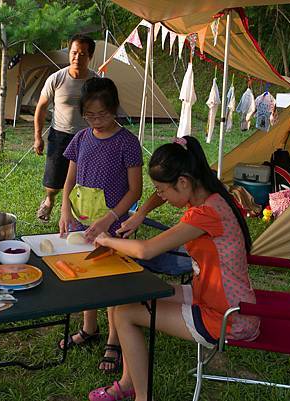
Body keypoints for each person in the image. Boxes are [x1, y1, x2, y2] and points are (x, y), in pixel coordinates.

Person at [88, 136, 259, 401]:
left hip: (227, 316)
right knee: (127, 305)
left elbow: (146, 250)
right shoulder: (208, 194)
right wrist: (142, 212)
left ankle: (139, 395)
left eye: (162, 190)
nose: (161, 196)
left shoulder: (204, 214)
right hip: (217, 296)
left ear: (183, 182)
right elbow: (164, 196)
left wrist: (106, 240)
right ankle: (128, 384)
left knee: (125, 315)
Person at [58, 77, 143, 374]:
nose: (96, 121)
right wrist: (64, 208)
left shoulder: (127, 142)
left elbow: (135, 190)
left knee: (110, 282)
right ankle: (89, 327)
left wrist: (110, 217)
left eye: (102, 115)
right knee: (86, 274)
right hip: (83, 220)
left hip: (115, 224)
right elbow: (69, 179)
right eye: (90, 116)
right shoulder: (81, 138)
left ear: (115, 109)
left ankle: (113, 340)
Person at [33, 34, 98, 222]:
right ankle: (49, 200)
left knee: (83, 179)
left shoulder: (95, 81)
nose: (77, 57)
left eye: (83, 54)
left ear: (90, 56)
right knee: (53, 181)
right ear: (69, 53)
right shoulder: (56, 78)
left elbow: (105, 109)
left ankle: (73, 211)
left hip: (87, 136)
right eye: (74, 52)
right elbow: (42, 107)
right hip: (60, 135)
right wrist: (38, 137)